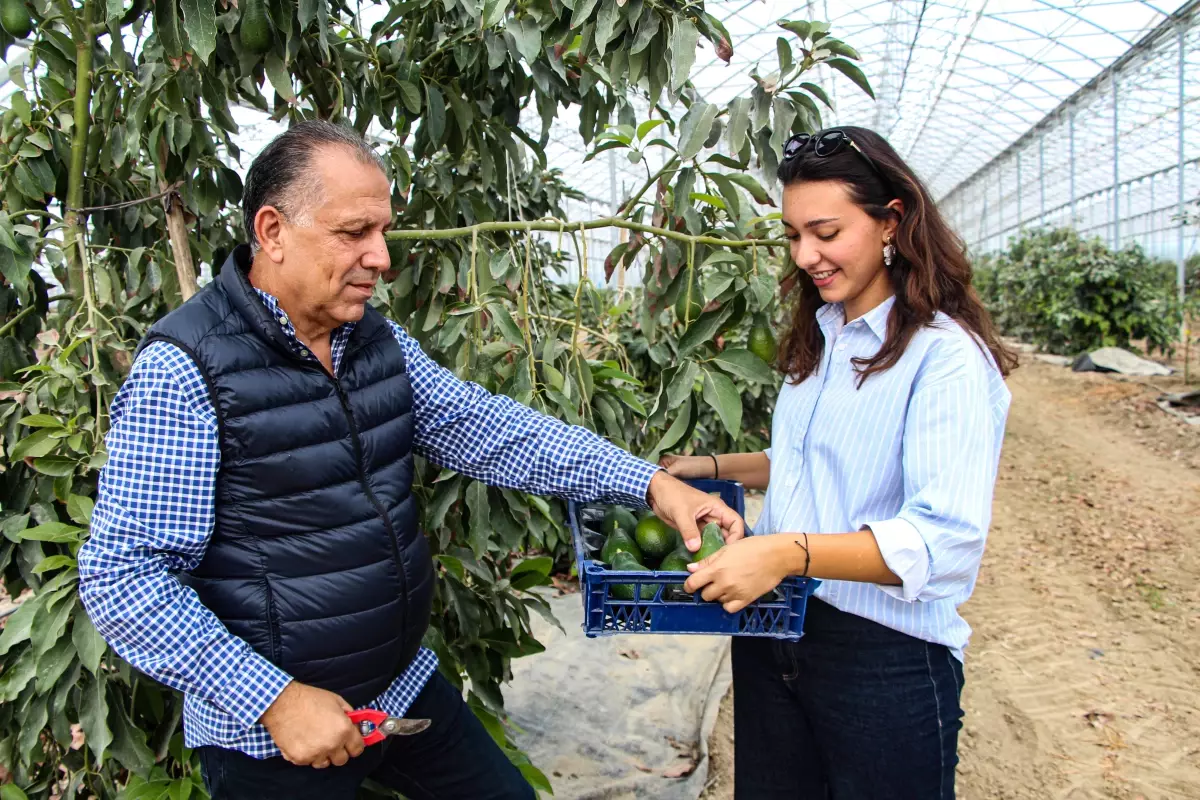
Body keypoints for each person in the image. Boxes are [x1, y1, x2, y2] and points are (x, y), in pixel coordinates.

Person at [77, 120, 744, 800]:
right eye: (353, 233)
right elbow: (123, 577)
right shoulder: (187, 369)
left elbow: (492, 429)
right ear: (272, 231)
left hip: (396, 686)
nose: (381, 258)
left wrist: (650, 483)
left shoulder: (370, 341)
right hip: (274, 734)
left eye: (382, 231)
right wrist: (274, 700)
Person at [660, 126, 1016, 800]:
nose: (807, 256)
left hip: (882, 659)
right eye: (794, 236)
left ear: (892, 221)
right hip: (776, 631)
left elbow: (944, 540)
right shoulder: (824, 334)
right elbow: (805, 459)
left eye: (826, 232)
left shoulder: (945, 361)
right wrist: (705, 467)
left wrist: (786, 553)